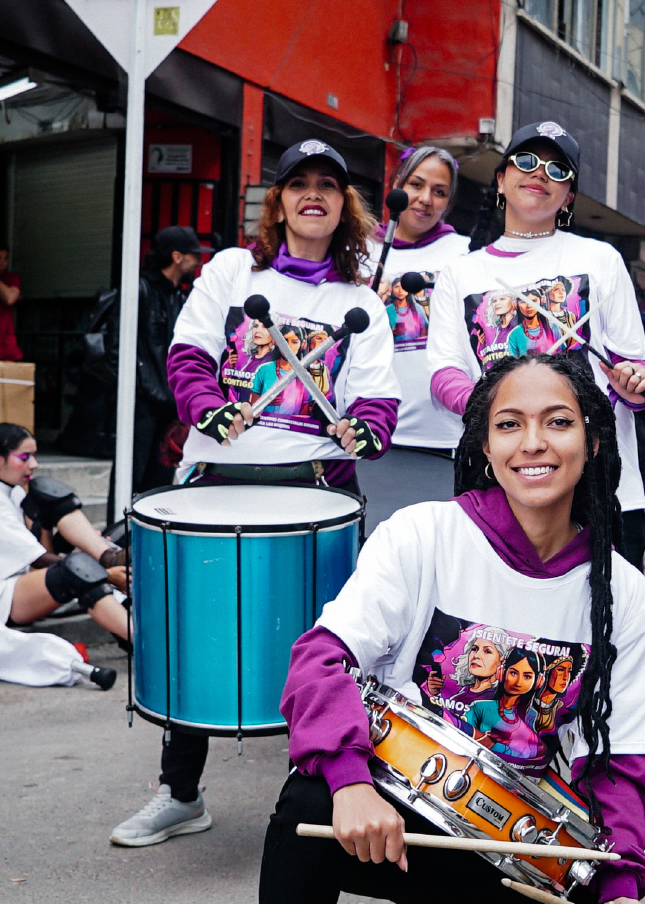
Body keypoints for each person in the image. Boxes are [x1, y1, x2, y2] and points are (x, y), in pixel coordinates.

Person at [258, 353, 645, 904]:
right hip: (388, 807)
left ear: (593, 443)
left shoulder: (625, 593)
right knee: (307, 803)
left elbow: (623, 765)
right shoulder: (422, 534)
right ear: (485, 446)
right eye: (509, 424)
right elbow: (320, 661)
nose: (533, 442)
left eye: (559, 421)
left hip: (509, 839)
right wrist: (350, 783)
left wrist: (619, 885)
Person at [114, 138, 402, 850]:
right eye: (298, 183)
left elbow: (379, 403)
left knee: (334, 654)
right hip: (219, 484)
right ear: (277, 200)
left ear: (344, 206)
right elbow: (187, 357)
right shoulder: (231, 270)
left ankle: (327, 796)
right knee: (198, 633)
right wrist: (207, 406)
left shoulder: (358, 302)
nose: (313, 194)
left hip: (316, 491)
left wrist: (361, 430)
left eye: (328, 186)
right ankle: (180, 792)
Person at [426, 121, 645, 568]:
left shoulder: (600, 260)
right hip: (499, 483)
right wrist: (498, 407)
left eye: (557, 170)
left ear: (569, 196)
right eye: (526, 162)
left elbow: (636, 365)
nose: (540, 174)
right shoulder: (461, 273)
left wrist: (635, 382)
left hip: (601, 485)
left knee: (604, 632)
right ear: (501, 179)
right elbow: (444, 373)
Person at [0, 423, 130, 673]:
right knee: (79, 571)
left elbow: (39, 547)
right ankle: (142, 642)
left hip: (20, 583)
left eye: (34, 455)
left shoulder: (8, 490)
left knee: (50, 495)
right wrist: (101, 574)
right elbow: (39, 558)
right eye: (24, 457)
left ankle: (108, 556)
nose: (34, 464)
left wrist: (93, 554)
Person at [361, 145, 472, 526]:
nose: (425, 200)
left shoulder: (466, 254)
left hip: (443, 439)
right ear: (395, 185)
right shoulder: (356, 250)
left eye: (439, 192)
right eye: (416, 184)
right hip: (368, 436)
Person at [134, 226, 211, 492]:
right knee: (133, 470)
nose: (199, 263)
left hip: (170, 402)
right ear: (177, 257)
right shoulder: (140, 289)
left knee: (162, 473)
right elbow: (116, 347)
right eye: (196, 257)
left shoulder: (181, 296)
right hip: (141, 402)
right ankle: (120, 531)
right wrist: (140, 386)